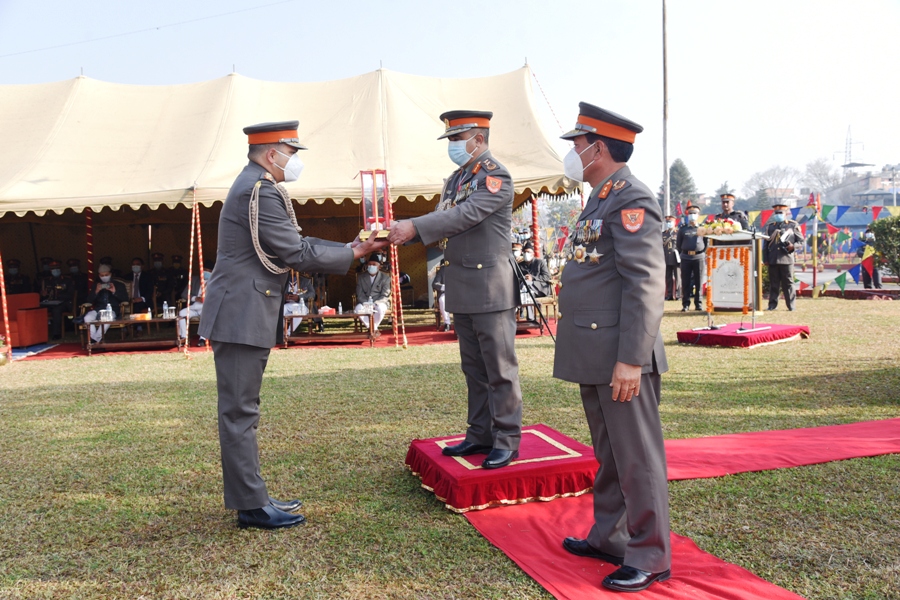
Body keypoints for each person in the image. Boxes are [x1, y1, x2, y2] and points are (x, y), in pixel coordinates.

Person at [198, 120, 386, 530]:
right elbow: (294, 251)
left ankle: (254, 495)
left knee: (244, 409)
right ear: (272, 154)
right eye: (292, 153)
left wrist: (349, 249)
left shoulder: (255, 186)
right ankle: (250, 506)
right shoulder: (259, 191)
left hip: (243, 309)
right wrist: (354, 251)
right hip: (241, 312)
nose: (295, 162)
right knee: (239, 411)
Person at [553, 102, 670, 593]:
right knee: (610, 453)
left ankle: (650, 554)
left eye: (577, 144)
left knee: (638, 457)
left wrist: (631, 360)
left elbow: (646, 285)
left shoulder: (630, 198)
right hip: (595, 352)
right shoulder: (601, 198)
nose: (573, 153)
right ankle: (609, 537)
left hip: (621, 356)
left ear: (598, 148)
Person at [388, 109, 522, 470]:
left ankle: (507, 439)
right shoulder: (455, 180)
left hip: (490, 287)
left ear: (479, 140)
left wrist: (413, 226)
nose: (452, 146)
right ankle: (480, 433)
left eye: (456, 139)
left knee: (499, 367)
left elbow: (464, 216)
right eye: (449, 139)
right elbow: (445, 215)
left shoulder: (495, 176)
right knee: (473, 367)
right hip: (462, 283)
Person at [763, 201, 801, 311]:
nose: (778, 215)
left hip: (787, 259)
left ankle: (791, 305)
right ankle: (772, 305)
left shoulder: (792, 225)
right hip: (773, 259)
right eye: (776, 213)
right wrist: (765, 259)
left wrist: (793, 246)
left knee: (788, 283)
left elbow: (801, 241)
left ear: (785, 213)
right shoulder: (770, 227)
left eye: (780, 212)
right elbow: (765, 245)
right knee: (774, 284)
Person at [82, 264, 129, 343]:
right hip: (98, 310)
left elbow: (125, 299)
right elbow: (89, 300)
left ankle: (94, 341)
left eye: (106, 275)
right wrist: (96, 291)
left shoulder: (119, 285)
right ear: (99, 275)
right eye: (102, 275)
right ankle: (95, 340)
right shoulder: (96, 285)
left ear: (110, 274)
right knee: (87, 318)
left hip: (112, 310)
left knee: (107, 319)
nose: (104, 277)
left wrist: (114, 291)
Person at [677, 205, 705, 311]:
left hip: (699, 257)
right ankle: (686, 304)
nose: (692, 215)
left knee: (699, 281)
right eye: (690, 213)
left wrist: (700, 251)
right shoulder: (683, 229)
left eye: (695, 213)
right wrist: (685, 252)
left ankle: (698, 304)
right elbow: (679, 244)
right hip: (686, 257)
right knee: (686, 282)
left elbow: (705, 243)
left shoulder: (702, 228)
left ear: (698, 215)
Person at [354, 253, 391, 332]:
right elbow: (359, 293)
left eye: (374, 264)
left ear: (379, 267)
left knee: (380, 309)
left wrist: (375, 304)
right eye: (369, 264)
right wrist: (366, 303)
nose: (371, 266)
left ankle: (371, 328)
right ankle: (373, 328)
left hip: (379, 302)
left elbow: (385, 295)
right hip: (365, 302)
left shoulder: (385, 278)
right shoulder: (361, 277)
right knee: (358, 309)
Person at [39, 260, 75, 340]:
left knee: (56, 310)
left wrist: (58, 295)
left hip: (64, 303)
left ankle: (56, 334)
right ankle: (38, 333)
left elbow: (70, 294)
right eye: (53, 269)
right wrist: (43, 294)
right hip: (49, 303)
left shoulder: (67, 280)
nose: (55, 271)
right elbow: (42, 294)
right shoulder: (46, 280)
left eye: (57, 269)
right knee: (38, 309)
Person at [517, 242, 552, 321]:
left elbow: (547, 277)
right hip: (526, 290)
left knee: (526, 285)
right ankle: (530, 318)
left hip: (540, 289)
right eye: (525, 252)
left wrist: (532, 278)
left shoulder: (540, 263)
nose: (526, 254)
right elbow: (516, 278)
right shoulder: (520, 265)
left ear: (533, 254)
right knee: (527, 290)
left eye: (528, 252)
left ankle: (520, 310)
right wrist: (523, 278)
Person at [177, 265, 212, 344]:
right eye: (204, 270)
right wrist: (196, 298)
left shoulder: (215, 282)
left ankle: (202, 339)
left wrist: (206, 299)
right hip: (193, 307)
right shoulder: (194, 280)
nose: (206, 272)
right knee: (181, 313)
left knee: (207, 314)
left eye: (208, 271)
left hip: (205, 307)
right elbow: (184, 294)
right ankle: (184, 337)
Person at [662, 215, 680, 301]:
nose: (669, 224)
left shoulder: (678, 233)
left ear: (675, 222)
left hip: (676, 258)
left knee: (678, 277)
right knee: (668, 277)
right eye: (667, 222)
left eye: (670, 222)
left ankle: (677, 294)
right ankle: (669, 294)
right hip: (666, 257)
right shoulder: (663, 234)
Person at [432, 264, 451, 331]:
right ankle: (447, 323)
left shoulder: (459, 267)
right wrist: (445, 287)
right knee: (442, 300)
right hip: (445, 292)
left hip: (458, 293)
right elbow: (435, 284)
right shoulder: (442, 270)